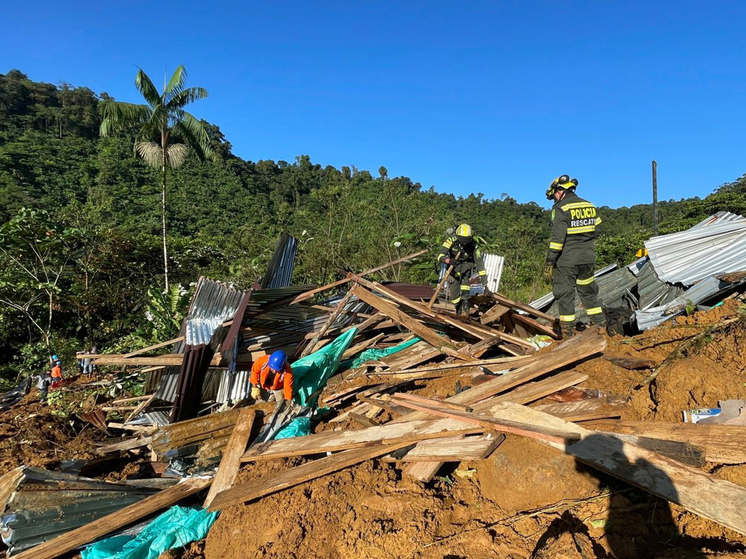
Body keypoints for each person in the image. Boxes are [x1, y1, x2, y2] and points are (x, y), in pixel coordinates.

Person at [544, 175, 606, 338]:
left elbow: (557, 240)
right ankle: (600, 327)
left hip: (567, 260)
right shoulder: (589, 205)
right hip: (588, 258)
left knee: (565, 294)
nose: (554, 199)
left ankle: (567, 334)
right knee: (588, 293)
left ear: (559, 191)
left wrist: (550, 260)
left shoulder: (560, 208)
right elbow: (598, 229)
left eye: (554, 196)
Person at [437, 224, 490, 316]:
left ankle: (465, 302)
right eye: (462, 239)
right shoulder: (451, 240)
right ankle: (458, 305)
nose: (464, 242)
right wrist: (449, 261)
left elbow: (480, 265)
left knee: (465, 278)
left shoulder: (474, 246)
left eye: (467, 239)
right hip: (453, 266)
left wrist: (485, 284)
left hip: (466, 266)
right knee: (454, 295)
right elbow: (440, 256)